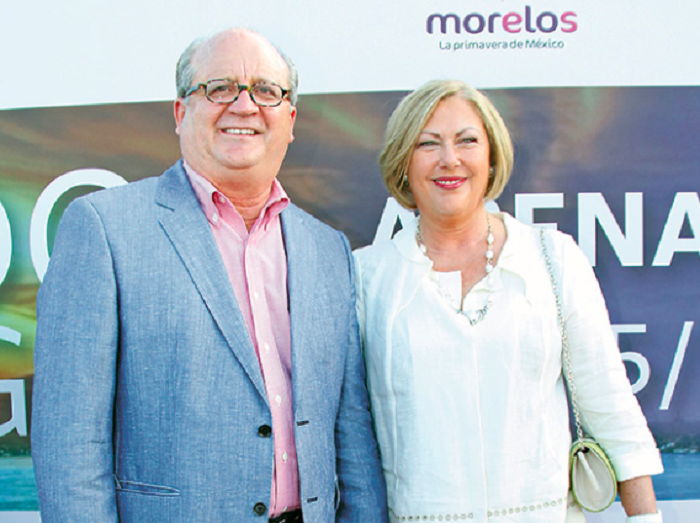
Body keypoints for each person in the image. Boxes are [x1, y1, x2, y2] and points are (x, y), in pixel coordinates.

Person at [32, 28, 387, 523]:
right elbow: (69, 443)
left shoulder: (327, 250)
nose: (244, 106)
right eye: (219, 88)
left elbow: (351, 437)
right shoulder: (104, 230)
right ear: (181, 113)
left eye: (266, 90)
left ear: (289, 119)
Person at [354, 79, 663, 523]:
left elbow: (613, 411)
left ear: (492, 156)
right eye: (428, 143)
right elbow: (348, 437)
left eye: (467, 141)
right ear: (403, 162)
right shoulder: (366, 277)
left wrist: (646, 518)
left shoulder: (553, 258)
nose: (449, 159)